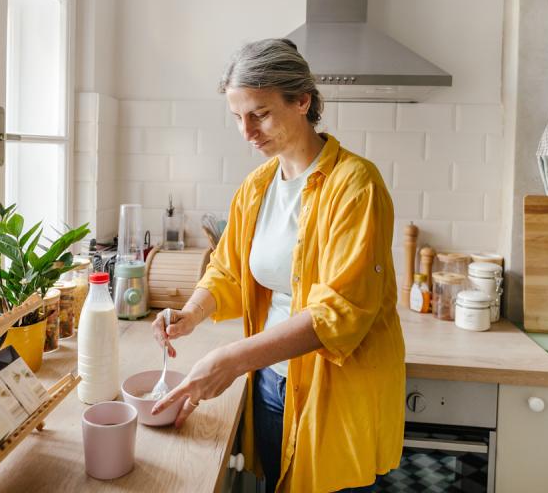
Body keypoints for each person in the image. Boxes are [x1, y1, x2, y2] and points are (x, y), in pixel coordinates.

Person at [151, 38, 405, 493]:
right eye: (237, 117)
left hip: (335, 391)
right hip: (271, 383)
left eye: (260, 114)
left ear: (302, 101)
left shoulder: (355, 185)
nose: (247, 132)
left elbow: (338, 313)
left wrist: (230, 359)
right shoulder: (258, 185)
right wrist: (191, 314)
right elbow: (228, 270)